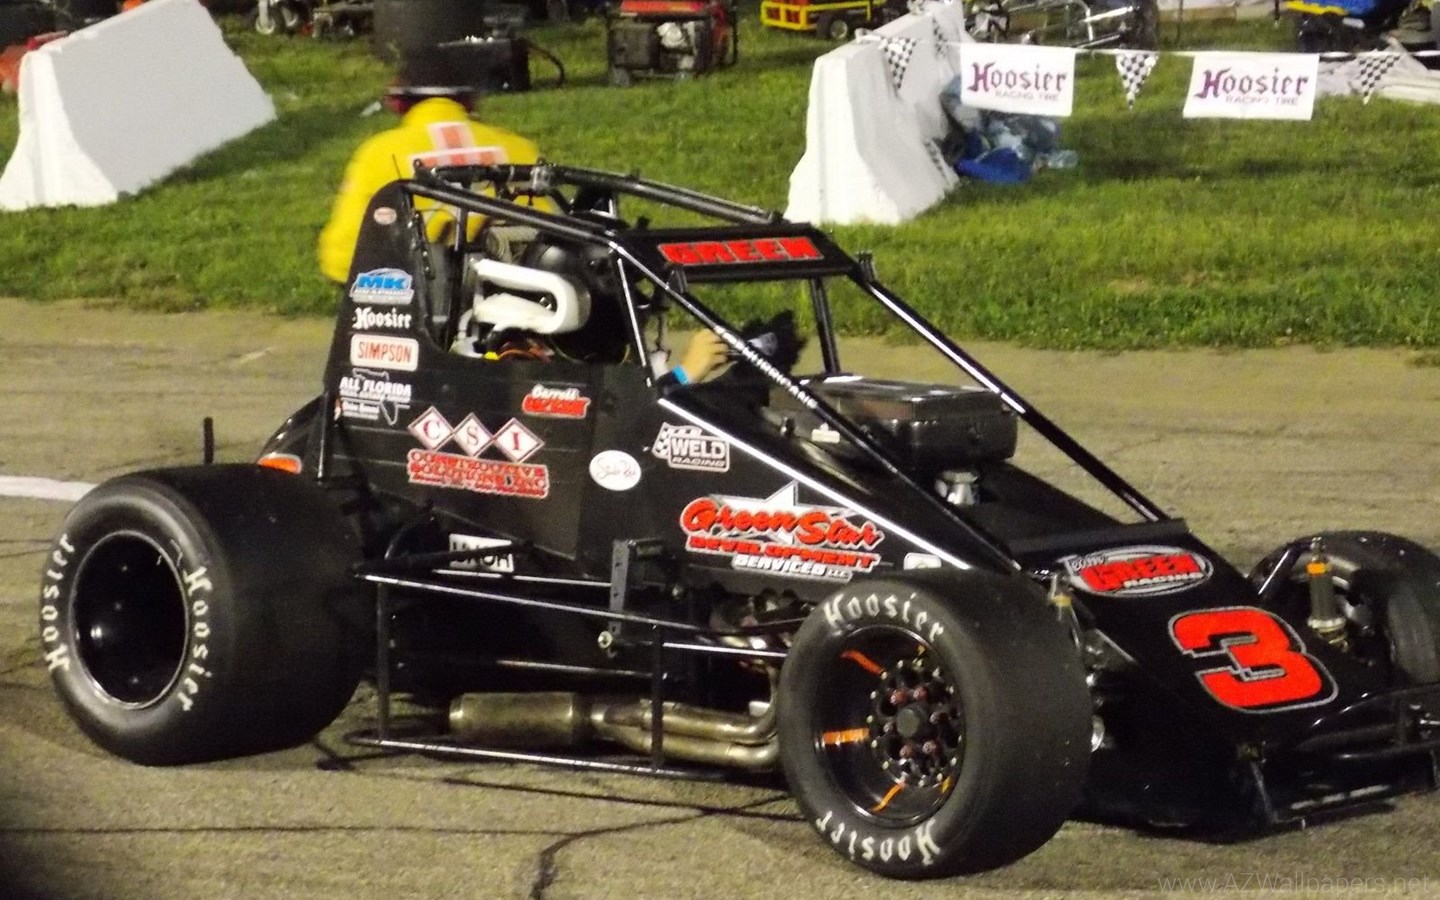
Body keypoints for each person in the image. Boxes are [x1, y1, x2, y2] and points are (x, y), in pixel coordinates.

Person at [317, 57, 544, 285]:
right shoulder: (517, 147)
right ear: (470, 98)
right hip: (519, 289)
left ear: (400, 101)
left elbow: (342, 257)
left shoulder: (380, 152)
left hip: (424, 293)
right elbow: (548, 235)